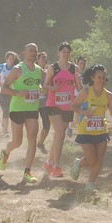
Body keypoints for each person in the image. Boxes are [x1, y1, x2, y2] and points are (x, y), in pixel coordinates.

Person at [0, 43, 43, 184]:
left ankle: (27, 171)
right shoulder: (18, 70)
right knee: (17, 142)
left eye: (35, 51)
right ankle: (6, 152)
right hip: (17, 109)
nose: (33, 53)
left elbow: (45, 84)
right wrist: (18, 92)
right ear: (24, 53)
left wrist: (43, 88)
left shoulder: (39, 70)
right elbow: (3, 88)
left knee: (32, 139)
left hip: (32, 109)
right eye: (30, 51)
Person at [71, 64, 112, 191]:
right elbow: (74, 106)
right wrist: (83, 111)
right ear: (92, 78)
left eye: (104, 77)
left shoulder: (108, 95)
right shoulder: (86, 92)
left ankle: (90, 184)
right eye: (99, 77)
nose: (102, 80)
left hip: (101, 130)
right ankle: (78, 163)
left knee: (99, 159)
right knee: (92, 159)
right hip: (85, 131)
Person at [43, 42, 83, 178]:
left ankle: (48, 162)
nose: (65, 54)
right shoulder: (53, 68)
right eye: (63, 52)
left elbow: (79, 88)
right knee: (60, 132)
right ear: (58, 53)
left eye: (68, 52)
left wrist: (78, 80)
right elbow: (45, 84)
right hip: (53, 104)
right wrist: (51, 88)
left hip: (68, 105)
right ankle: (56, 166)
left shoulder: (74, 68)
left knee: (59, 135)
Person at [0, 51, 20, 137]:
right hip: (2, 92)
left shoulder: (16, 68)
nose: (11, 60)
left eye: (13, 59)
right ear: (6, 59)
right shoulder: (1, 67)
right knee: (5, 111)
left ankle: (5, 129)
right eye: (10, 59)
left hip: (12, 92)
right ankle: (5, 129)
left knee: (9, 111)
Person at [68, 55, 88, 137]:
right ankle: (69, 126)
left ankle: (83, 134)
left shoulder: (87, 74)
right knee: (76, 120)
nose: (82, 65)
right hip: (76, 98)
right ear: (77, 63)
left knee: (84, 118)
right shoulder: (73, 73)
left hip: (85, 99)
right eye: (80, 63)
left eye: (83, 64)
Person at [36, 51, 50, 154]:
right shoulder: (32, 71)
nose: (44, 59)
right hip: (33, 103)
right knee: (33, 126)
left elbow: (48, 88)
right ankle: (31, 145)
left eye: (46, 57)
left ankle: (40, 143)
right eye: (42, 57)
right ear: (37, 59)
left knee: (47, 126)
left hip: (44, 103)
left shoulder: (48, 72)